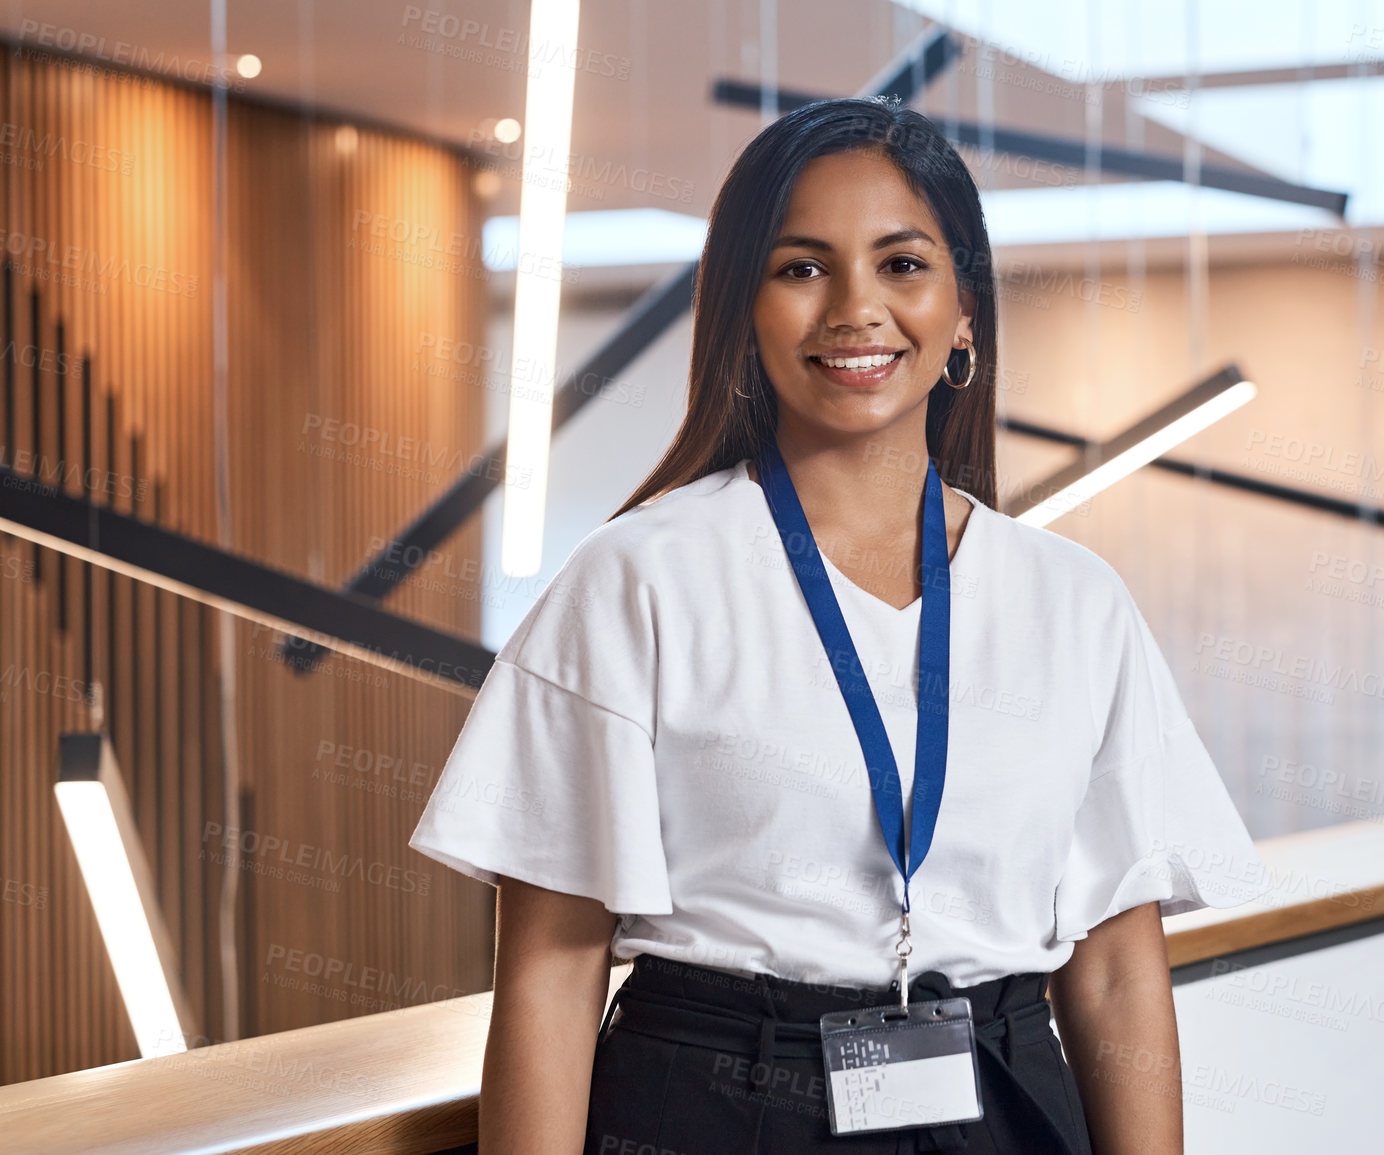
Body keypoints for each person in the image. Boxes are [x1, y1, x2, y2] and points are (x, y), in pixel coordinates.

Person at [409, 96, 1269, 1155]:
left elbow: (1116, 969)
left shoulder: (1074, 600)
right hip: (715, 1099)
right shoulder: (634, 582)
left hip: (994, 1092)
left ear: (965, 314)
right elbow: (550, 967)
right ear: (742, 308)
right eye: (802, 267)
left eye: (902, 264)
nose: (855, 308)